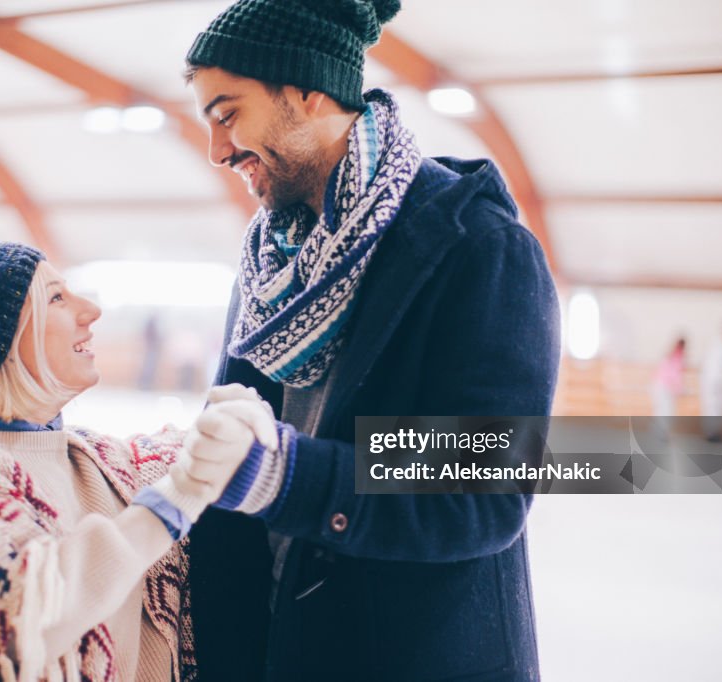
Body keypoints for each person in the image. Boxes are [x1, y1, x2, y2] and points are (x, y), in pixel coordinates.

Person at [180, 1, 560, 680]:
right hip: (279, 647)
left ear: (306, 89)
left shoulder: (478, 248)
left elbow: (482, 488)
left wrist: (288, 476)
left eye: (228, 113)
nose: (217, 150)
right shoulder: (269, 262)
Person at [0, 243, 277, 681]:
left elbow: (170, 460)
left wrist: (234, 418)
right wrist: (180, 494)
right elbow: (22, 618)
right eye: (56, 298)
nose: (90, 310)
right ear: (0, 341)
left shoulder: (93, 461)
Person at [651, 336, 687, 440]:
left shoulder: (673, 355)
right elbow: (673, 376)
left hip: (662, 387)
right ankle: (661, 432)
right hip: (663, 387)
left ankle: (661, 432)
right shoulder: (676, 357)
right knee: (665, 411)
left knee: (664, 411)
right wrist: (680, 389)